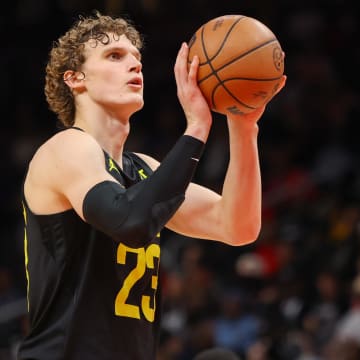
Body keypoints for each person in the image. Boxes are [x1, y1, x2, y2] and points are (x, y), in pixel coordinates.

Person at [18, 11, 286, 360]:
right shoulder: (65, 149)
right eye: (115, 56)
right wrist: (197, 129)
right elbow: (130, 222)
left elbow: (237, 226)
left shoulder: (145, 169)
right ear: (75, 79)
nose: (134, 64)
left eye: (137, 57)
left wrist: (243, 125)